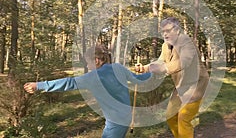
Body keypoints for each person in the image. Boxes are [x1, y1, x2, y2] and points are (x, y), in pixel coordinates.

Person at [24, 44, 152, 138]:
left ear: (96, 60)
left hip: (115, 122)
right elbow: (138, 80)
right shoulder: (118, 67)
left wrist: (39, 85)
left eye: (88, 63)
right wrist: (151, 72)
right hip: (125, 118)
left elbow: (69, 83)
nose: (88, 66)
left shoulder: (93, 77)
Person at [136, 17, 209, 138]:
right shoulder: (165, 45)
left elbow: (184, 62)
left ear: (177, 30)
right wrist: (145, 68)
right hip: (180, 86)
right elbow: (160, 61)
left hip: (196, 86)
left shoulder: (187, 43)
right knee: (170, 116)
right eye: (163, 31)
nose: (165, 34)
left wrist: (164, 68)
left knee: (183, 118)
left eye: (168, 30)